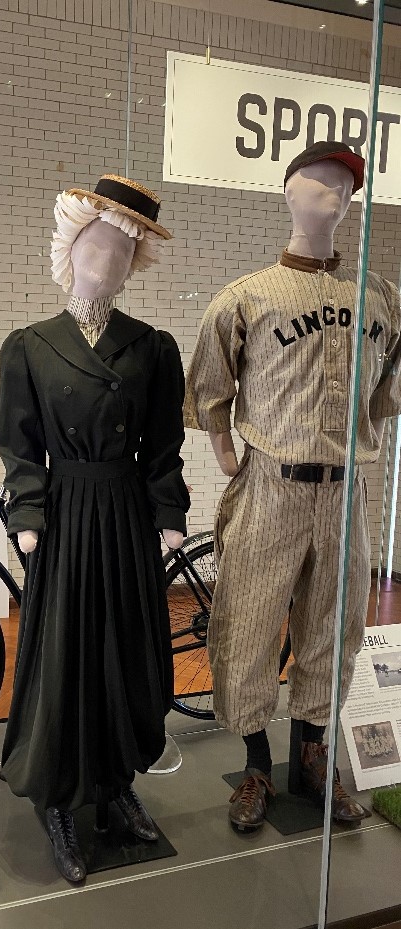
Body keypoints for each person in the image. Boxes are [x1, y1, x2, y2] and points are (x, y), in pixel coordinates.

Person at [184, 141, 401, 831]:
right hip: (270, 485)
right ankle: (254, 762)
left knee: (333, 629)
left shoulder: (378, 295)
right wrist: (223, 447)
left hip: (346, 491)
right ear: (287, 191)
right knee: (246, 624)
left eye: (346, 186)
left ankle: (311, 759)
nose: (335, 196)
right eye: (320, 182)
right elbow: (209, 388)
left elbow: (386, 385)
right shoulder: (244, 296)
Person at [0, 175, 190, 882]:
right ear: (71, 246)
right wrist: (27, 512)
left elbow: (163, 442)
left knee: (124, 651)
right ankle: (57, 798)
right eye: (98, 243)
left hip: (126, 516)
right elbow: (18, 444)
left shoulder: (153, 347)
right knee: (64, 657)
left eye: (123, 249)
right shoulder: (29, 346)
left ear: (134, 263)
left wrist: (168, 511)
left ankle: (113, 785)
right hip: (66, 519)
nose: (107, 258)